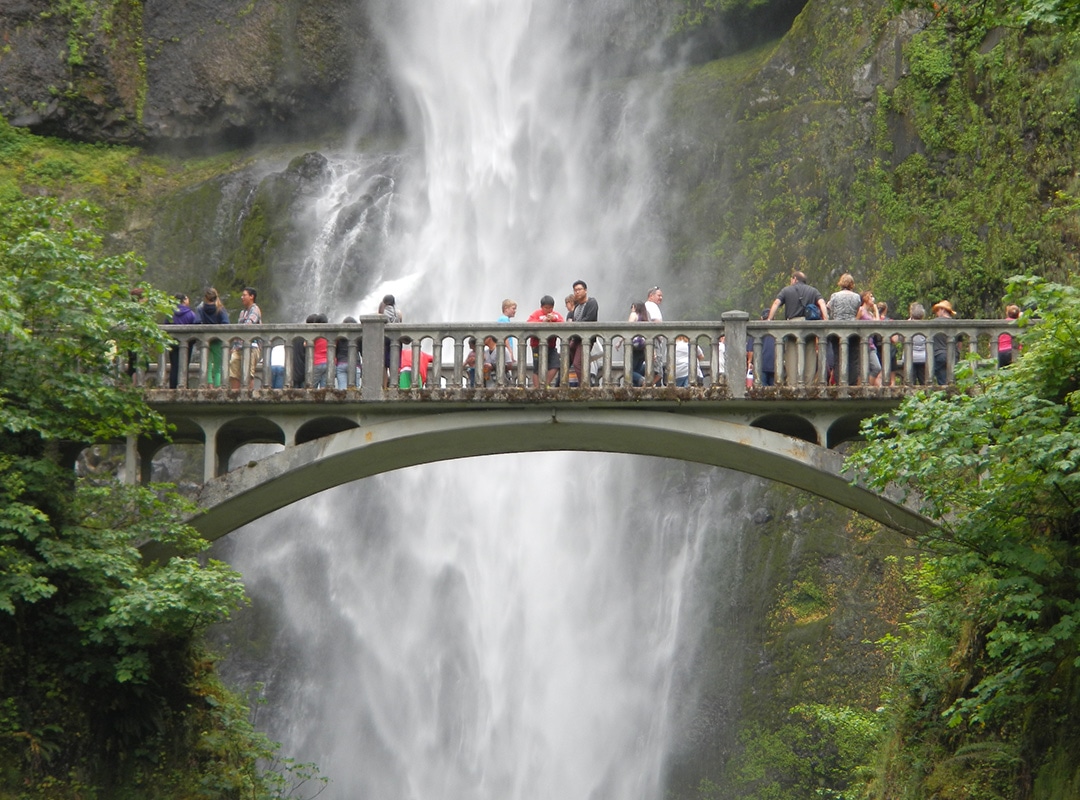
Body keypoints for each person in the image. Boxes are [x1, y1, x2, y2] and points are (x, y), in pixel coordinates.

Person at [766, 271, 828, 385]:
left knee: (791, 356)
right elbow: (822, 304)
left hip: (792, 327)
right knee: (810, 354)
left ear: (794, 279)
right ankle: (808, 385)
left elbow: (776, 303)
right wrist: (826, 320)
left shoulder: (786, 290)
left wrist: (769, 320)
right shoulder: (813, 291)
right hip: (808, 327)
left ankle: (793, 384)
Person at [826, 273, 861, 384]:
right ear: (852, 284)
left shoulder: (835, 296)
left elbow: (830, 309)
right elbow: (856, 310)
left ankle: (839, 381)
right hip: (852, 330)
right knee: (853, 358)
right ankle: (851, 382)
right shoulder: (856, 297)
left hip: (837, 330)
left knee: (838, 357)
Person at [526, 295, 564, 386]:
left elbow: (563, 323)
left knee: (556, 365)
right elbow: (528, 323)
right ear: (541, 307)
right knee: (537, 369)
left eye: (550, 308)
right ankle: (536, 389)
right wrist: (542, 321)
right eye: (546, 308)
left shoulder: (555, 315)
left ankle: (544, 385)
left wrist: (554, 319)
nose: (548, 310)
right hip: (537, 346)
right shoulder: (536, 314)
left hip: (551, 346)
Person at [229, 286, 262, 390]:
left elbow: (248, 325)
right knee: (233, 370)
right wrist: (234, 346)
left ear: (252, 296)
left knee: (248, 372)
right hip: (239, 346)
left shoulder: (255, 309)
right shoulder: (242, 312)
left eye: (244, 295)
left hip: (252, 346)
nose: (242, 297)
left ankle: (248, 395)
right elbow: (239, 330)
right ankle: (235, 394)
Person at [566, 280, 598, 386]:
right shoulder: (577, 307)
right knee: (566, 359)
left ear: (585, 290)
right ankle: (559, 383)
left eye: (579, 289)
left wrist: (574, 325)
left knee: (577, 363)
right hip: (576, 338)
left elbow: (589, 319)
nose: (577, 292)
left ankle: (585, 386)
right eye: (575, 290)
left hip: (586, 338)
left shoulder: (591, 303)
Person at [196, 287, 229, 387]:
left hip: (205, 340)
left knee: (208, 365)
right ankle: (217, 386)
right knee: (218, 367)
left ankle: (209, 386)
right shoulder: (220, 309)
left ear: (206, 297)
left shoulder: (201, 309)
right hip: (218, 341)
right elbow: (226, 323)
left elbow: (196, 322)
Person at [168, 293, 197, 388]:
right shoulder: (190, 314)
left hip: (172, 343)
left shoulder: (170, 314)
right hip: (187, 344)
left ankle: (173, 386)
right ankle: (184, 385)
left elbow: (166, 327)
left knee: (174, 366)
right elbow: (195, 329)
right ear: (184, 300)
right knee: (184, 366)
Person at [856, 290, 882, 386]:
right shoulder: (861, 310)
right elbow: (855, 324)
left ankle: (868, 387)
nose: (873, 298)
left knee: (877, 368)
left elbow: (878, 324)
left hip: (871, 345)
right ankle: (861, 390)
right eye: (871, 296)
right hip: (862, 343)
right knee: (862, 370)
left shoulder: (870, 314)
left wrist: (875, 310)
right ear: (865, 298)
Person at [746, 309, 777, 387]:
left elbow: (750, 350)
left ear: (761, 318)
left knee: (761, 389)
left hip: (761, 365)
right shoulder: (777, 332)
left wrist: (749, 362)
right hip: (775, 365)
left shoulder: (756, 332)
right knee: (774, 389)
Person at [931, 299, 956, 385]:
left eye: (938, 310)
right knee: (953, 381)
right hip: (953, 355)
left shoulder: (933, 323)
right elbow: (960, 344)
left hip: (939, 355)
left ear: (943, 310)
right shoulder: (957, 324)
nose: (936, 313)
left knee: (942, 382)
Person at [379, 294, 402, 388]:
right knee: (394, 364)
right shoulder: (399, 312)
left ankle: (384, 387)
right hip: (396, 340)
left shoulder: (381, 313)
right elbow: (401, 324)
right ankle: (394, 385)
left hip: (384, 341)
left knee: (383, 365)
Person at [644, 286, 665, 384]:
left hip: (652, 340)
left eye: (661, 296)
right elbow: (654, 321)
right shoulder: (651, 305)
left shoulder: (647, 305)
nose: (660, 298)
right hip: (654, 340)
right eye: (659, 295)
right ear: (651, 296)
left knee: (654, 369)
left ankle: (647, 385)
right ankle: (647, 387)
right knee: (658, 371)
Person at [627, 301, 649, 386]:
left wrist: (620, 341)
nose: (632, 309)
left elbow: (627, 329)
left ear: (636, 307)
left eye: (633, 307)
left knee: (628, 371)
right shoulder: (644, 318)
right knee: (637, 370)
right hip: (643, 347)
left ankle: (643, 381)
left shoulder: (634, 315)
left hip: (635, 346)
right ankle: (638, 389)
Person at [335, 316, 361, 389]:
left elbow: (335, 352)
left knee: (342, 391)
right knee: (355, 391)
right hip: (355, 364)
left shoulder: (338, 337)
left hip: (341, 364)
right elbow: (363, 352)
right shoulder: (358, 338)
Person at [311, 313, 329, 388]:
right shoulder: (329, 334)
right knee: (324, 389)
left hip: (317, 362)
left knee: (312, 388)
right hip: (328, 362)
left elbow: (305, 344)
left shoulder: (314, 335)